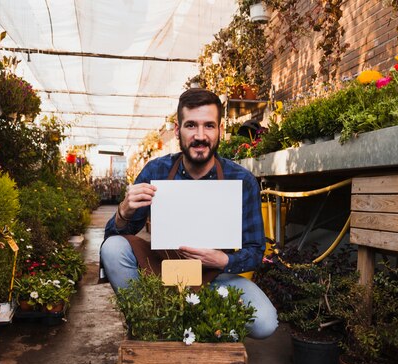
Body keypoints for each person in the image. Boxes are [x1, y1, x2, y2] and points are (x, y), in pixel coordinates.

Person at [100, 88, 277, 339]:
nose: (200, 136)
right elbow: (115, 235)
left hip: (214, 278)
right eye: (191, 125)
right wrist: (123, 211)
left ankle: (195, 323)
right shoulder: (156, 171)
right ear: (177, 130)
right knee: (112, 248)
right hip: (161, 272)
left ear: (220, 129)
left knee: (265, 322)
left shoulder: (242, 180)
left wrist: (223, 261)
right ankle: (149, 321)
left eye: (209, 126)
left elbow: (255, 251)